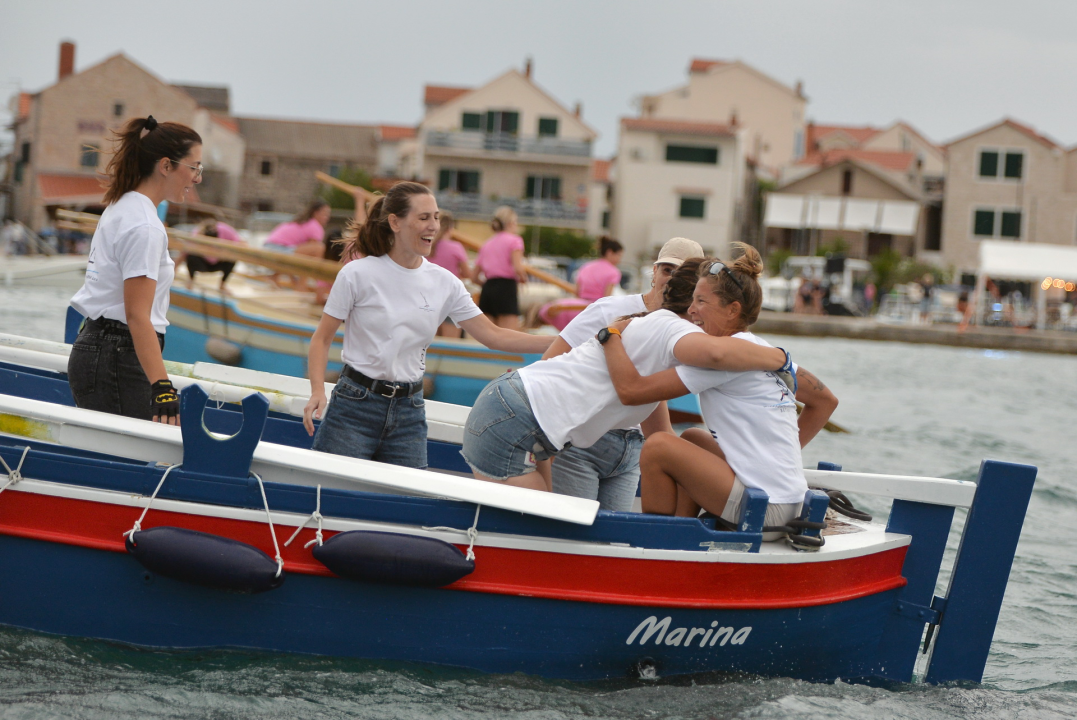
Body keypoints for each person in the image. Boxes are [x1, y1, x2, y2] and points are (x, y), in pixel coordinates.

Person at [461, 258, 791, 493]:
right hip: (512, 420)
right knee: (538, 538)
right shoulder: (671, 328)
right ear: (691, 304)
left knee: (547, 534)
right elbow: (718, 355)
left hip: (527, 423)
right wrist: (782, 360)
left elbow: (657, 425)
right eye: (700, 301)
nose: (698, 312)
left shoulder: (653, 333)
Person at [302, 182, 555, 469]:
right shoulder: (357, 274)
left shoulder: (445, 282)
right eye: (423, 218)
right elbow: (321, 339)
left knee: (409, 504)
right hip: (353, 407)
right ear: (395, 222)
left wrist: (565, 341)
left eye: (435, 217)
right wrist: (318, 391)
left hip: (409, 412)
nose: (433, 226)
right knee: (334, 494)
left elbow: (494, 336)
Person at [599, 245, 839, 540]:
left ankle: (657, 540)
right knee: (692, 438)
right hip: (791, 501)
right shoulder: (761, 348)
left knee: (659, 446)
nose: (690, 310)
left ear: (732, 310)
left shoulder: (722, 359)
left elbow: (633, 392)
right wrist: (777, 461)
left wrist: (610, 335)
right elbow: (826, 400)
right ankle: (682, 525)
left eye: (700, 301)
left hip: (765, 512)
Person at [539, 236, 704, 511]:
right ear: (654, 271)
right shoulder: (609, 310)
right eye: (667, 270)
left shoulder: (685, 329)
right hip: (583, 442)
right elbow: (549, 364)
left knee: (610, 545)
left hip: (632, 453)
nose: (673, 280)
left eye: (683, 274)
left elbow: (651, 394)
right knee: (571, 539)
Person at [67, 115, 202, 425]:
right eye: (194, 168)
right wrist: (163, 388)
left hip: (98, 347)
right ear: (166, 166)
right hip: (119, 357)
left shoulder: (120, 205)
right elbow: (137, 315)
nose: (197, 178)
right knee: (137, 460)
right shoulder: (145, 226)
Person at [472, 206, 528, 329]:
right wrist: (524, 279)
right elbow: (517, 267)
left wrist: (487, 286)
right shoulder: (515, 241)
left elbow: (474, 277)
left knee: (488, 335)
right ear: (511, 223)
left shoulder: (487, 244)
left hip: (488, 288)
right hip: (506, 287)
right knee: (509, 336)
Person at [428, 211, 472, 337]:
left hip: (429, 296)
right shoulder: (456, 247)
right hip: (450, 297)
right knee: (450, 343)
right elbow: (468, 274)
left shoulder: (427, 247)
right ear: (451, 229)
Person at [184, 219, 243, 291]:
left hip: (219, 261)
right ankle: (190, 281)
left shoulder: (225, 230)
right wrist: (175, 267)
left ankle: (222, 285)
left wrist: (225, 253)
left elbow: (240, 243)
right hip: (203, 262)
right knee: (191, 256)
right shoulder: (197, 233)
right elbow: (185, 251)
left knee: (232, 258)